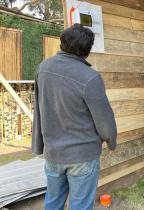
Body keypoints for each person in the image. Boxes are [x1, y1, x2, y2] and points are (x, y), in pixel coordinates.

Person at [32, 24, 117, 210]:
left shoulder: (43, 68)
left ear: (62, 43)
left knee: (53, 202)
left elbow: (38, 109)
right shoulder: (90, 77)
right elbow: (104, 119)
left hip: (53, 153)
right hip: (82, 154)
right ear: (87, 51)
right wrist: (111, 141)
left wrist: (39, 145)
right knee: (80, 205)